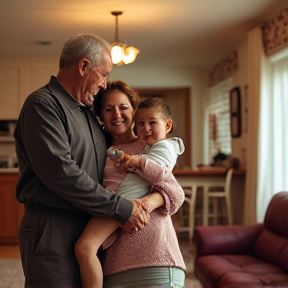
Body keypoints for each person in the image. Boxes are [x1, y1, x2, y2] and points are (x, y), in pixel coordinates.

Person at [13, 33, 151, 288]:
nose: (105, 85)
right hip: (52, 228)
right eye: (104, 74)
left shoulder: (89, 114)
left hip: (90, 227)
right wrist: (120, 208)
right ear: (84, 66)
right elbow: (61, 173)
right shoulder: (43, 105)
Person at [75, 97, 185, 288]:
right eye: (109, 108)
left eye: (123, 107)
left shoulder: (153, 147)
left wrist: (146, 203)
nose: (117, 114)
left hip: (155, 254)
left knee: (85, 247)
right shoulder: (98, 148)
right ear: (100, 115)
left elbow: (175, 191)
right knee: (85, 248)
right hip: (115, 257)